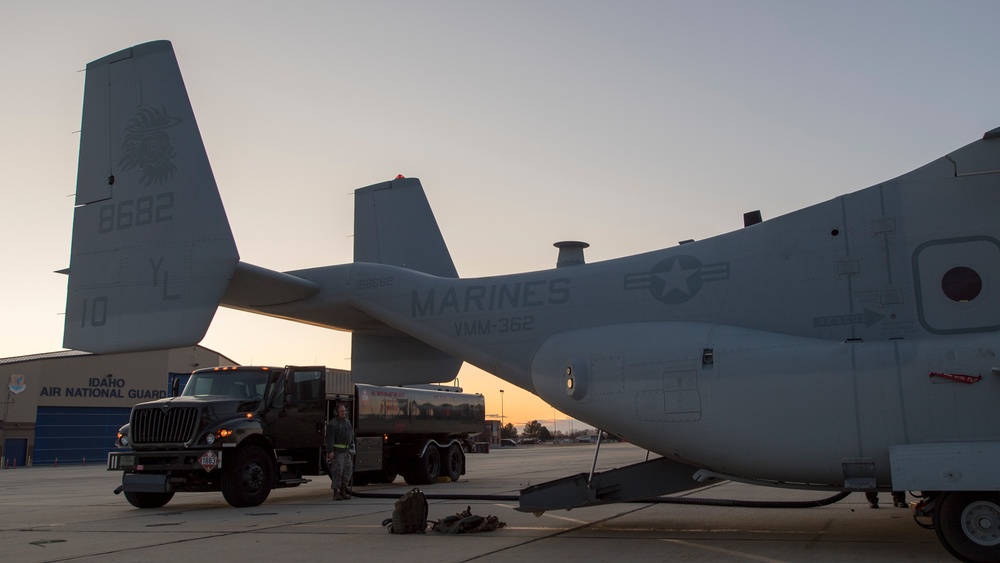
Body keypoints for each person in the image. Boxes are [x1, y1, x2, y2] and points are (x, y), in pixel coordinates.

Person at [325, 404, 354, 501]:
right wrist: (330, 451)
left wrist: (352, 447)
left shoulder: (347, 423)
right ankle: (336, 492)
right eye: (342, 411)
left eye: (344, 411)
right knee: (337, 471)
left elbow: (351, 436)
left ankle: (343, 490)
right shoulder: (333, 424)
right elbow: (329, 439)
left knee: (348, 471)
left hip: (346, 452)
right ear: (336, 412)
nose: (344, 413)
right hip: (337, 452)